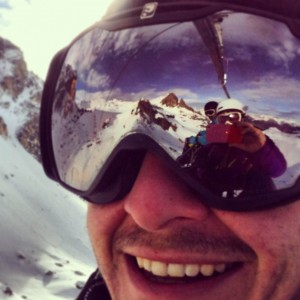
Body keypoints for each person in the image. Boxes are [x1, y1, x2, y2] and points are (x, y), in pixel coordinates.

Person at [39, 0, 300, 299]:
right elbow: (192, 146)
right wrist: (194, 146)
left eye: (234, 120)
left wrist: (261, 146)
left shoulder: (253, 146)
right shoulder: (211, 135)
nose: (147, 210)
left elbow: (278, 170)